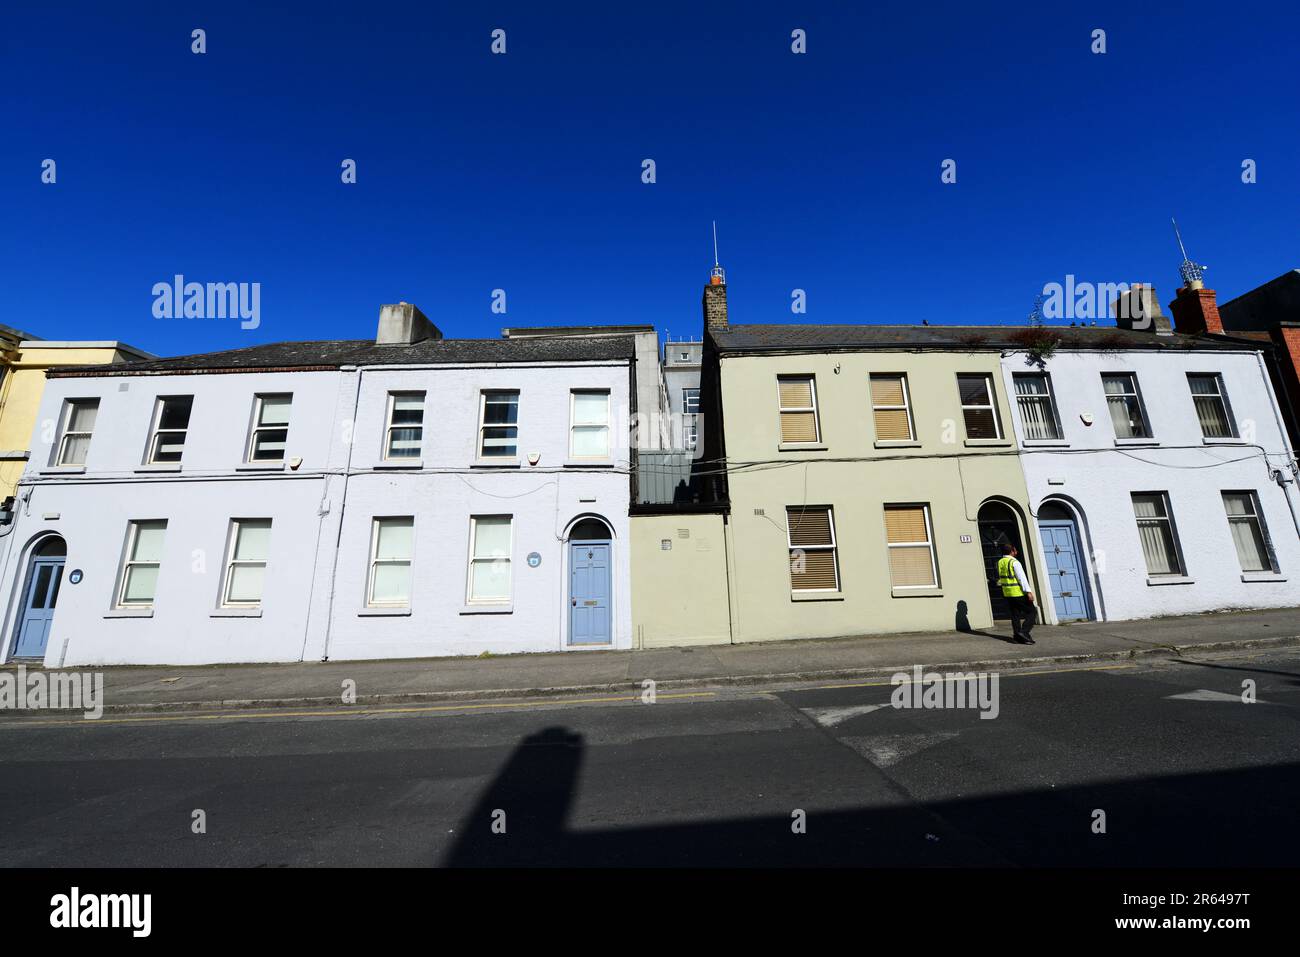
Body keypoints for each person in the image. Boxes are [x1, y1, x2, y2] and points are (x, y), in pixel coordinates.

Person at [996, 543, 1036, 644]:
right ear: (1012, 551)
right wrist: (1028, 592)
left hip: (1007, 593)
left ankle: (1017, 636)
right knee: (1032, 612)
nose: (1017, 552)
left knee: (1015, 614)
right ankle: (1024, 632)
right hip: (1018, 593)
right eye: (1015, 550)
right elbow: (1021, 578)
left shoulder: (1000, 562)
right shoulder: (1014, 562)